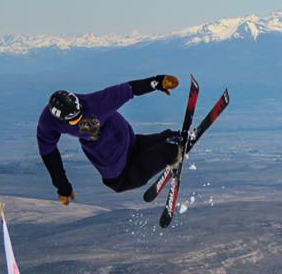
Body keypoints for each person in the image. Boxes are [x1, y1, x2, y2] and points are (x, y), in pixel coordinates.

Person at [37, 75, 182, 204]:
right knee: (136, 149)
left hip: (115, 155)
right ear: (61, 120)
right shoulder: (48, 122)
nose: (79, 119)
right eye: (74, 120)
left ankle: (171, 151)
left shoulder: (95, 103)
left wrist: (159, 81)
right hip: (126, 141)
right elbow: (49, 154)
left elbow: (129, 89)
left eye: (80, 114)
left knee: (122, 182)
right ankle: (169, 139)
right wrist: (63, 186)